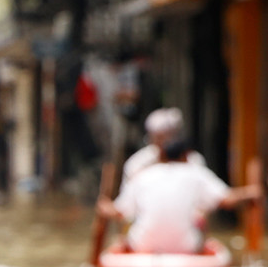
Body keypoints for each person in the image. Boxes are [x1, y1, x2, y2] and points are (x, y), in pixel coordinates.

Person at [98, 140, 260, 254]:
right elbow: (227, 200)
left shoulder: (143, 175)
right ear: (186, 156)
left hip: (143, 245)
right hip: (186, 247)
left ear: (162, 156)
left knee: (126, 230)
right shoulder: (196, 173)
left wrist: (104, 206)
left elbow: (119, 212)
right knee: (202, 218)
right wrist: (251, 192)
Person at [123, 108, 206, 184]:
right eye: (159, 138)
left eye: (171, 136)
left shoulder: (194, 159)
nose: (165, 143)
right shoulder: (137, 162)